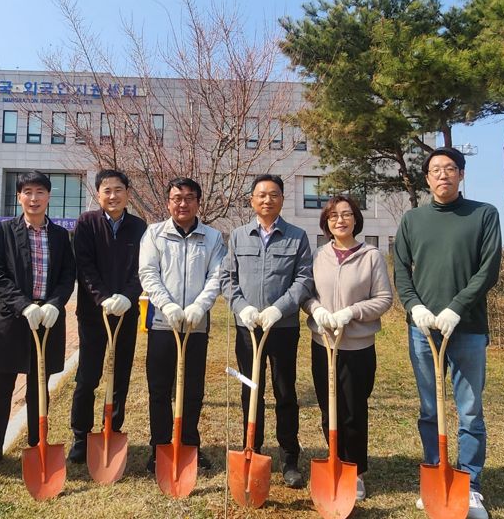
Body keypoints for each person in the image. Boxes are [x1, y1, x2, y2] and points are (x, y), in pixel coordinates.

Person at [394, 147, 502, 519]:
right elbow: (401, 273)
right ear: (427, 178)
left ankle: (470, 485)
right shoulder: (412, 220)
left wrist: (457, 307)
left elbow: (488, 270)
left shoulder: (483, 215)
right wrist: (415, 307)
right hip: (423, 330)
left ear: (461, 175)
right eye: (436, 170)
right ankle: (436, 474)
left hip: (467, 329)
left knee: (470, 410)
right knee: (429, 409)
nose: (443, 175)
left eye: (450, 169)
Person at [0, 171, 76, 477]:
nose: (34, 198)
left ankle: (36, 444)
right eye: (28, 192)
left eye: (40, 192)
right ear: (19, 197)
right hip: (11, 320)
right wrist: (23, 305)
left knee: (38, 387)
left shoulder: (59, 235)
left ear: (48, 196)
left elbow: (67, 275)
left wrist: (54, 304)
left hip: (47, 321)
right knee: (2, 387)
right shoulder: (4, 232)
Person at [221, 174, 314, 488]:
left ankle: (289, 456)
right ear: (252, 200)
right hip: (247, 328)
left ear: (282, 199)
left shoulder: (297, 237)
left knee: (285, 391)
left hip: (283, 327)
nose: (267, 200)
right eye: (261, 194)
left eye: (274, 194)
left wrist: (279, 308)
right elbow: (227, 280)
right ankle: (253, 449)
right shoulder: (237, 236)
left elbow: (304, 281)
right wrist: (241, 307)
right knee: (251, 389)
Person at [302, 195, 393, 501]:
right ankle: (334, 462)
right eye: (333, 217)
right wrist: (316, 310)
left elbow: (384, 298)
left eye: (346, 215)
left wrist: (352, 312)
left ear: (356, 219)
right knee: (329, 410)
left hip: (357, 347)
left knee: (353, 411)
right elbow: (307, 293)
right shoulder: (319, 256)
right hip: (323, 343)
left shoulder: (371, 256)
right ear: (326, 224)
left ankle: (355, 471)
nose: (339, 220)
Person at [138, 177, 226, 473]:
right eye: (177, 198)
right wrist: (168, 305)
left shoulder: (212, 238)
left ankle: (189, 445)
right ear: (168, 202)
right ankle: (159, 447)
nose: (183, 203)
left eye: (189, 197)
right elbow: (148, 273)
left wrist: (200, 306)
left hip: (196, 326)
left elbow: (217, 276)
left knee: (192, 390)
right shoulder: (154, 234)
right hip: (163, 324)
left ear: (198, 202)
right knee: (160, 389)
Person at [67, 169, 147, 463]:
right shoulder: (86, 223)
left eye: (118, 190)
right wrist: (102, 298)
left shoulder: (139, 227)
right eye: (106, 191)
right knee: (88, 376)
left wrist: (127, 296)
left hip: (126, 313)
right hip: (93, 314)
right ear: (97, 194)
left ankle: (112, 428)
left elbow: (143, 268)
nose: (112, 196)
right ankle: (80, 435)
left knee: (120, 375)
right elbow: (84, 266)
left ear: (127, 192)